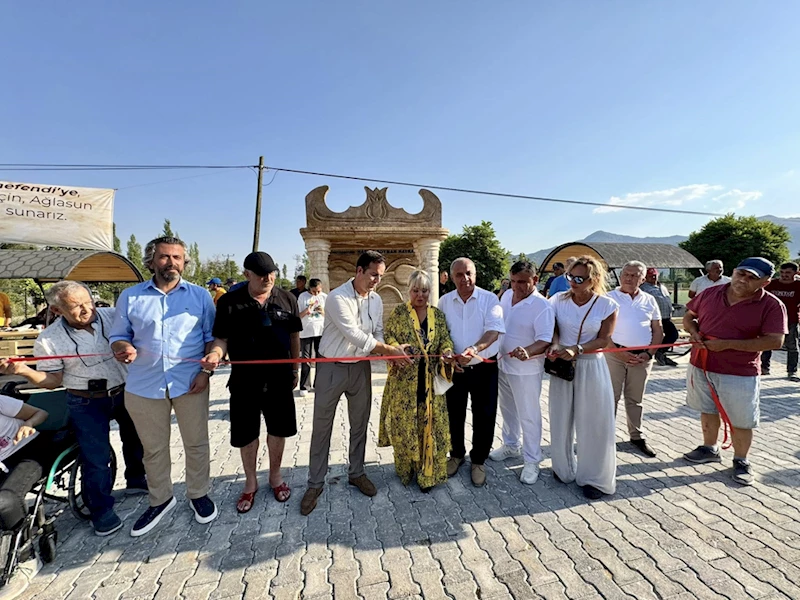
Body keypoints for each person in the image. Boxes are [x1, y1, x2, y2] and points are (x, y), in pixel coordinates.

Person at [0, 281, 146, 537]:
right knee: (96, 457)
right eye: (76, 306)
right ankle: (100, 509)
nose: (86, 309)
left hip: (124, 390)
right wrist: (24, 371)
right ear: (57, 310)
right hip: (85, 401)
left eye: (88, 302)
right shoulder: (49, 339)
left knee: (135, 438)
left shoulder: (113, 316)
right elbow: (52, 381)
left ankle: (137, 479)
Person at [109, 236, 217, 537]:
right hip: (144, 385)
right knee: (153, 449)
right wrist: (122, 347)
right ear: (152, 261)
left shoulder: (200, 296)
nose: (171, 263)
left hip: (191, 382)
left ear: (185, 262)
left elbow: (211, 337)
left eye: (177, 257)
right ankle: (161, 499)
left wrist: (206, 370)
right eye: (165, 257)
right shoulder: (131, 296)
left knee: (196, 443)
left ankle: (198, 493)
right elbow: (118, 335)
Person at [300, 251, 412, 515]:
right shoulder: (337, 297)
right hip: (331, 368)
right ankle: (315, 484)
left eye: (380, 276)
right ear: (359, 271)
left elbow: (377, 332)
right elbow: (355, 335)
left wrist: (389, 354)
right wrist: (390, 350)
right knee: (322, 427)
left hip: (360, 368)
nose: (377, 281)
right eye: (373, 275)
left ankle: (357, 472)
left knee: (360, 424)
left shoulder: (376, 300)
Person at [202, 251, 302, 513]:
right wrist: (215, 354)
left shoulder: (288, 298)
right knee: (246, 433)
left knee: (279, 430)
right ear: (247, 274)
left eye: (271, 273)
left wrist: (295, 369)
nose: (267, 278)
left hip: (279, 379)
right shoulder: (229, 302)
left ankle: (275, 476)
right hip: (244, 381)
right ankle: (250, 481)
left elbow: (294, 337)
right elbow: (221, 338)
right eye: (261, 275)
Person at [682, 257, 786, 486]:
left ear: (765, 282)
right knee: (707, 409)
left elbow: (775, 341)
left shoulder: (771, 305)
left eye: (752, 278)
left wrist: (727, 344)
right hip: (701, 364)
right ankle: (709, 447)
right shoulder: (710, 293)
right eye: (741, 274)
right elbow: (689, 317)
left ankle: (741, 460)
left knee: (742, 419)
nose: (743, 280)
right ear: (734, 271)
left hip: (739, 371)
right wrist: (694, 332)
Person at [548, 256, 618, 499]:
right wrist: (556, 345)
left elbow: (604, 339)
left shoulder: (607, 305)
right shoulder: (558, 300)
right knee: (560, 417)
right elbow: (554, 328)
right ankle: (563, 468)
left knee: (594, 422)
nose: (573, 282)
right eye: (570, 276)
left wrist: (577, 349)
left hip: (591, 365)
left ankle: (595, 479)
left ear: (594, 279)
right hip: (562, 366)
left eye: (580, 278)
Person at [379, 270, 454, 492]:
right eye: (415, 290)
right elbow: (389, 336)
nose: (420, 295)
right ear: (408, 291)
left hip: (430, 381)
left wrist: (447, 351)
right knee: (406, 426)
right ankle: (407, 470)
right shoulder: (399, 313)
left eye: (424, 290)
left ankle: (428, 475)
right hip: (404, 382)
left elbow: (445, 339)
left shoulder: (437, 315)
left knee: (430, 425)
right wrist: (397, 348)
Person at [438, 258, 505, 487]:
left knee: (484, 414)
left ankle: (478, 461)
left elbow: (494, 331)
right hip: (455, 368)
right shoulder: (444, 301)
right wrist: (447, 352)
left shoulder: (490, 299)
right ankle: (456, 454)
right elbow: (441, 333)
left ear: (475, 274)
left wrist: (474, 349)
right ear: (451, 277)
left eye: (468, 273)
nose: (464, 278)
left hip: (484, 366)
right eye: (459, 274)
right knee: (453, 413)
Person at [489, 261, 554, 484]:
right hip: (503, 365)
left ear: (535, 280)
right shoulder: (507, 295)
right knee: (507, 410)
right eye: (513, 281)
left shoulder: (542, 306)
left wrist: (528, 351)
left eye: (523, 282)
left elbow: (545, 339)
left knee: (529, 415)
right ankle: (511, 445)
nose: (516, 287)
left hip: (526, 370)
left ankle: (533, 460)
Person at [606, 261, 663, 458]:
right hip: (614, 355)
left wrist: (648, 354)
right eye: (626, 274)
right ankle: (605, 438)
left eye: (634, 275)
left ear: (643, 279)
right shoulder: (608, 298)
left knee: (635, 399)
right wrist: (617, 352)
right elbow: (601, 331)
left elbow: (658, 330)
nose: (629, 278)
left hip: (642, 357)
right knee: (610, 397)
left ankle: (636, 436)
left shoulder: (649, 300)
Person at [0, 395, 50, 598]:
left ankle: (27, 558)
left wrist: (27, 425)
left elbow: (41, 413)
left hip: (29, 449)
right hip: (3, 464)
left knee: (5, 500)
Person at [761, 262, 800, 380]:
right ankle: (764, 368)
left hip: (791, 319)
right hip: (770, 319)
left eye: (788, 273)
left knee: (792, 346)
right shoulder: (771, 284)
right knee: (767, 344)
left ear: (796, 273)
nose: (784, 275)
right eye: (782, 272)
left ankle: (792, 371)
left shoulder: (798, 286)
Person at [641, 267, 679, 366]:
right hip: (654, 319)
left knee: (673, 335)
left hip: (666, 317)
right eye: (650, 276)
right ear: (645, 277)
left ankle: (660, 352)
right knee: (658, 336)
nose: (653, 277)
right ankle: (653, 353)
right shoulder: (643, 288)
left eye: (655, 275)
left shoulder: (662, 287)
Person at [297, 278, 327, 396]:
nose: (316, 294)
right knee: (306, 359)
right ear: (309, 288)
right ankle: (304, 386)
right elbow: (298, 315)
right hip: (306, 331)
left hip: (321, 331)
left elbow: (331, 316)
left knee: (320, 358)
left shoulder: (324, 297)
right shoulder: (302, 297)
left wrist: (323, 311)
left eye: (318, 291)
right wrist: (306, 311)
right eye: (314, 291)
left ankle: (319, 384)